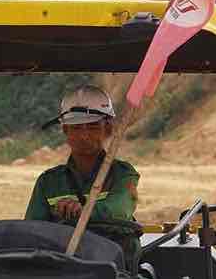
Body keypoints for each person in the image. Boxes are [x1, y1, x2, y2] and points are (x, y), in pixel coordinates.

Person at [25, 85, 141, 262]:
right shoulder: (48, 183)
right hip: (62, 269)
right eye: (77, 128)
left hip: (115, 271)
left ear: (108, 129)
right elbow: (31, 233)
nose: (84, 136)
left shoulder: (122, 174)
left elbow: (119, 210)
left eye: (93, 127)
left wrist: (83, 211)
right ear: (65, 131)